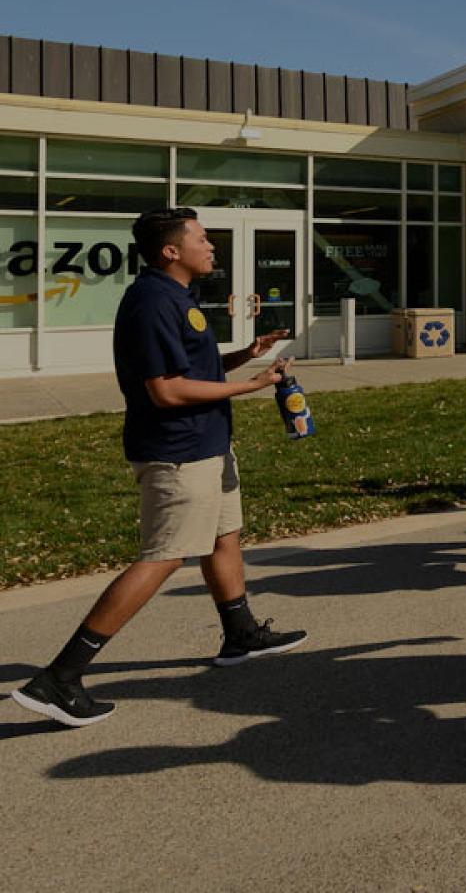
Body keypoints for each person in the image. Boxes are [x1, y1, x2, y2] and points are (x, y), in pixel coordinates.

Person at [12, 208, 307, 728]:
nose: (211, 245)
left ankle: (240, 635)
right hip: (178, 452)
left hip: (208, 445)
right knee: (163, 557)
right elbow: (165, 390)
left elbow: (189, 368)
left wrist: (243, 356)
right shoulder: (150, 302)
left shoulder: (177, 296)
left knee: (225, 536)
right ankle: (60, 678)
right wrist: (251, 387)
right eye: (200, 238)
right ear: (171, 251)